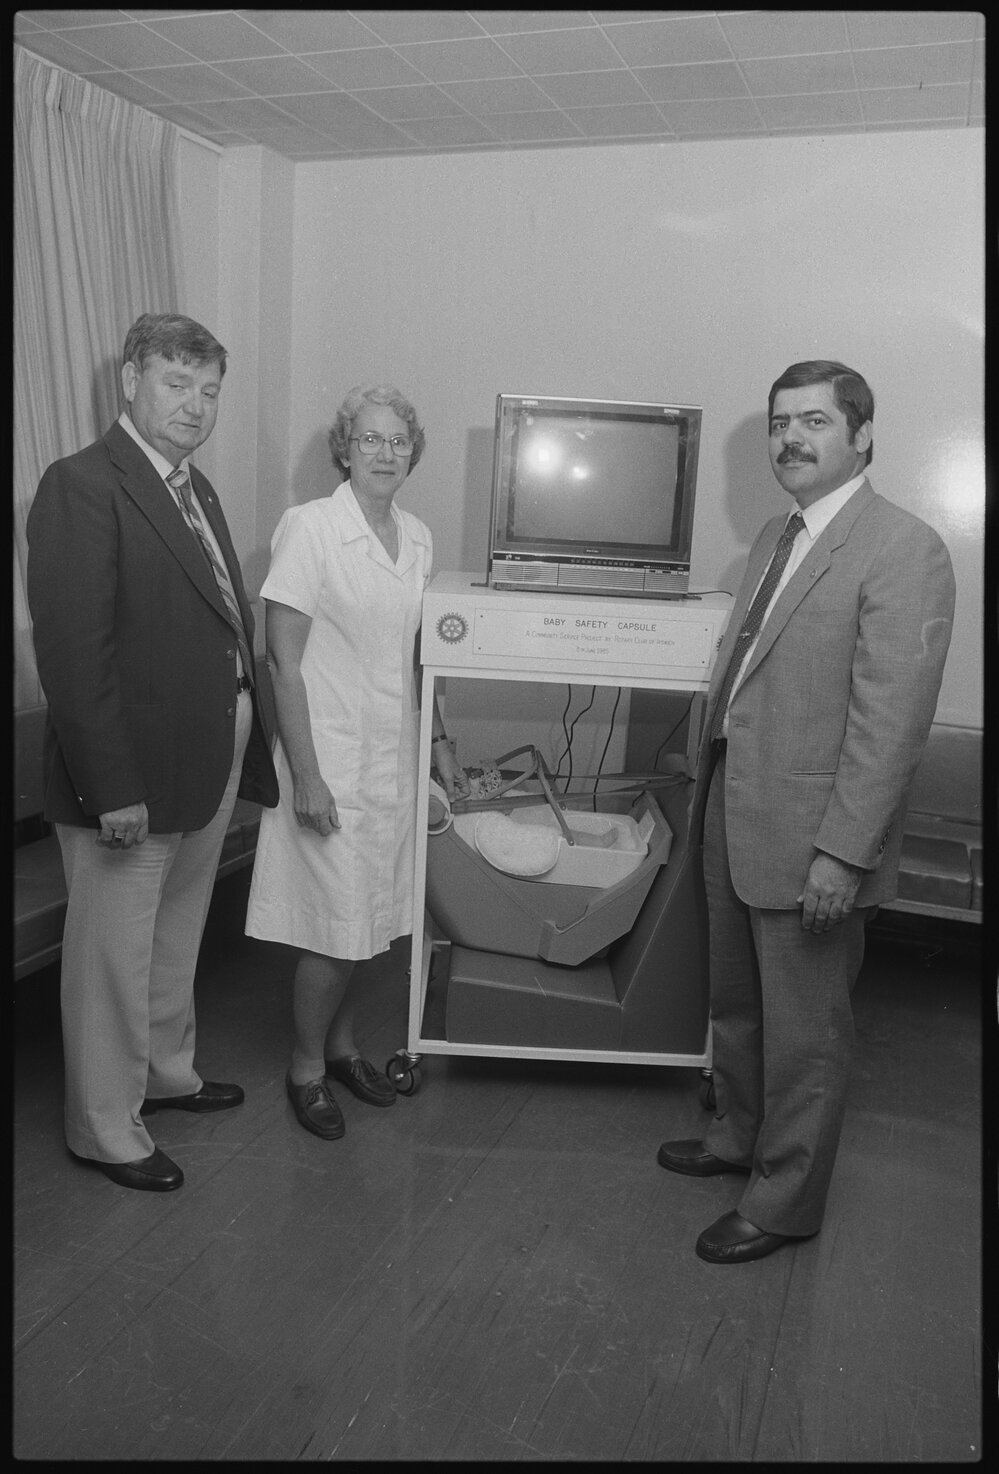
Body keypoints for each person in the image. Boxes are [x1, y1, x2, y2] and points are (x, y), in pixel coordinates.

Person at [658, 360, 955, 1263]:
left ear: (862, 436)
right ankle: (737, 1138)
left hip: (815, 837)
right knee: (737, 1005)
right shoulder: (773, 537)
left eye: (814, 422)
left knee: (806, 1034)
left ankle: (783, 1202)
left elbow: (890, 723)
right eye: (780, 422)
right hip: (734, 809)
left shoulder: (902, 548)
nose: (790, 438)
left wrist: (843, 853)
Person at [26, 312, 279, 1193]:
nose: (196, 405)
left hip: (205, 754)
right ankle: (103, 1128)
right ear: (131, 380)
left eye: (209, 390)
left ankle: (166, 1075)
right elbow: (73, 656)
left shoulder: (193, 487)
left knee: (175, 934)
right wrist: (111, 788)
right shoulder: (81, 484)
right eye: (177, 383)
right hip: (128, 774)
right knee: (112, 957)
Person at [245, 384, 467, 1139]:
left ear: (412, 454)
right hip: (330, 757)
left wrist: (438, 746)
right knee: (334, 928)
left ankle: (341, 1050)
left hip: (393, 760)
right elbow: (283, 664)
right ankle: (305, 1067)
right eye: (369, 439)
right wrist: (306, 776)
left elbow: (419, 658)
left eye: (398, 441)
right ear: (344, 449)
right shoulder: (309, 528)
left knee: (377, 920)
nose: (384, 453)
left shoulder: (419, 537)